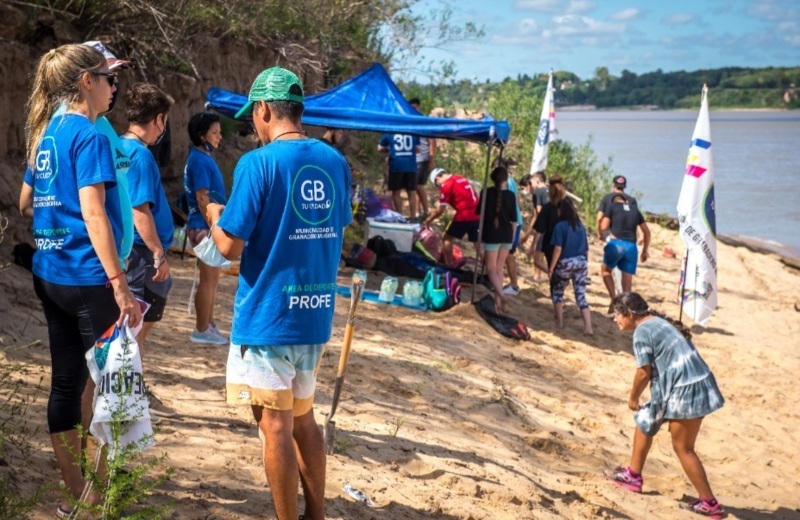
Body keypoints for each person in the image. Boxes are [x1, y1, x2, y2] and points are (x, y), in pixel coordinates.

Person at [207, 66, 352, 520]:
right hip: (313, 314)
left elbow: (228, 245)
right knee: (303, 418)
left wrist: (214, 212)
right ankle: (316, 514)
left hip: (269, 316)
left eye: (254, 116)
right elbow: (335, 228)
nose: (253, 124)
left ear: (265, 110)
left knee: (274, 425)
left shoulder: (258, 163)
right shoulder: (334, 161)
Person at [20, 44, 142, 517]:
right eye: (110, 80)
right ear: (85, 82)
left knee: (66, 386)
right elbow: (94, 214)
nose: (115, 88)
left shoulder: (46, 132)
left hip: (51, 274)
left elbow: (25, 201)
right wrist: (120, 282)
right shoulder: (89, 136)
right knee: (118, 387)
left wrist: (56, 220)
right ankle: (106, 497)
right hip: (90, 278)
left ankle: (81, 499)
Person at [605, 292, 724, 518]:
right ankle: (633, 475)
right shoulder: (656, 321)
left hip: (685, 390)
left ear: (629, 314)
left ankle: (710, 503)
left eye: (617, 314)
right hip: (694, 383)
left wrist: (633, 398)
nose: (614, 319)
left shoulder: (642, 332)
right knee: (644, 421)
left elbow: (643, 373)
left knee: (683, 448)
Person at [120, 82, 176, 419]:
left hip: (135, 254)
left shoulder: (118, 147)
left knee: (135, 329)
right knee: (136, 330)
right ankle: (130, 394)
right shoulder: (140, 154)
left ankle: (132, 389)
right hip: (142, 256)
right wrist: (158, 252)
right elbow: (139, 211)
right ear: (159, 119)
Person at [184, 111, 228, 345]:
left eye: (219, 132)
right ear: (202, 135)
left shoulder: (203, 158)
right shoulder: (200, 160)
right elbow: (202, 197)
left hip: (207, 226)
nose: (219, 137)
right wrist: (214, 226)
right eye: (214, 133)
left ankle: (209, 324)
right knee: (208, 279)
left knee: (214, 279)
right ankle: (201, 328)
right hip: (204, 226)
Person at [599, 191, 651, 311]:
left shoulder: (612, 207)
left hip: (616, 245)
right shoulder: (635, 210)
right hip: (631, 247)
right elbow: (647, 232)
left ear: (613, 202)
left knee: (606, 271)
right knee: (627, 283)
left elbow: (603, 227)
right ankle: (625, 309)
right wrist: (644, 251)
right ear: (626, 201)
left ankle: (614, 300)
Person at [547, 198, 593, 334]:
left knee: (558, 292)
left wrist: (551, 268)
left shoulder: (560, 227)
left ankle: (559, 322)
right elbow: (586, 249)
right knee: (580, 295)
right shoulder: (580, 226)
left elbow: (558, 249)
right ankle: (588, 327)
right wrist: (585, 265)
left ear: (561, 211)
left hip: (566, 262)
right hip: (581, 262)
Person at [476, 166, 517, 313]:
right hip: (506, 235)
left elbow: (479, 214)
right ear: (506, 180)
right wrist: (511, 239)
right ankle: (498, 303)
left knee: (491, 269)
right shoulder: (511, 196)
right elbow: (515, 221)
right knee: (499, 269)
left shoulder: (486, 193)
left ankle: (501, 295)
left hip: (492, 235)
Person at [423, 167, 481, 265]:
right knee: (478, 243)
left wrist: (428, 220)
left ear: (437, 179)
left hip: (464, 214)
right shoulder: (460, 178)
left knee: (446, 237)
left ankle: (448, 264)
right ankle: (488, 267)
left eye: (437, 185)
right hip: (478, 214)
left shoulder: (447, 185)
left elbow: (440, 210)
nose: (439, 188)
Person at [377, 131, 419, 219]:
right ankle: (413, 216)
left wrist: (390, 149)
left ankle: (400, 216)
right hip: (411, 165)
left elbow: (379, 148)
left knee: (396, 192)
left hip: (396, 165)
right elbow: (418, 149)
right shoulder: (413, 132)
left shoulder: (390, 132)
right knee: (412, 192)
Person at [531, 175, 568, 273]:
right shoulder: (568, 206)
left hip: (550, 244)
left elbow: (539, 229)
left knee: (552, 268)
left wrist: (533, 245)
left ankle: (553, 276)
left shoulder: (547, 208)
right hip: (565, 242)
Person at [409, 98, 435, 219]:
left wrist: (431, 159)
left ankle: (426, 210)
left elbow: (432, 141)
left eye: (414, 107)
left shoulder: (424, 121)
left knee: (418, 185)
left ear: (419, 107)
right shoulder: (410, 122)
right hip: (412, 159)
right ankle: (418, 212)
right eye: (411, 108)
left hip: (422, 158)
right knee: (414, 186)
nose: (413, 110)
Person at [521, 171, 549, 282]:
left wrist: (528, 236)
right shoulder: (551, 191)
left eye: (531, 182)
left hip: (546, 227)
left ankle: (538, 276)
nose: (530, 185)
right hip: (557, 226)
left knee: (538, 255)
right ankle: (540, 276)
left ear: (537, 181)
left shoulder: (538, 192)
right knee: (544, 254)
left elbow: (538, 214)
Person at [596, 175, 637, 239]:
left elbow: (599, 218)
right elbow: (636, 220)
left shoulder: (607, 198)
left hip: (610, 234)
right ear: (624, 187)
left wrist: (599, 233)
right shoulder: (632, 200)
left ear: (614, 185)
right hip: (628, 235)